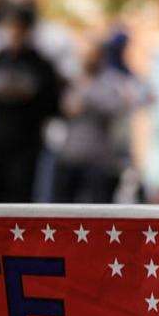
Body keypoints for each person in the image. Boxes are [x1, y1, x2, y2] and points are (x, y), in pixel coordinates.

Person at [0, 3, 62, 203]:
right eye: (9, 27)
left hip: (27, 142)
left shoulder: (41, 66)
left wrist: (26, 95)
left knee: (20, 198)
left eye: (19, 28)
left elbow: (53, 106)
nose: (13, 34)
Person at [51, 40, 134, 203]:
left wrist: (89, 99)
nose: (88, 60)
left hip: (99, 160)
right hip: (70, 156)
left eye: (92, 55)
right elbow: (65, 108)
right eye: (85, 56)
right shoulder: (73, 81)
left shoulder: (111, 82)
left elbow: (117, 107)